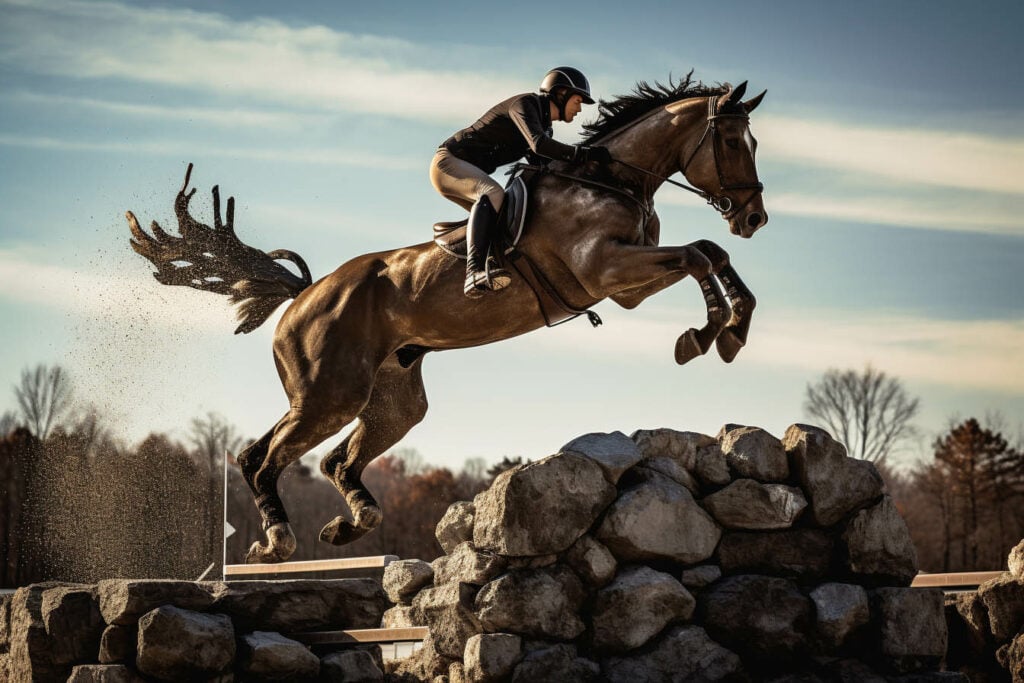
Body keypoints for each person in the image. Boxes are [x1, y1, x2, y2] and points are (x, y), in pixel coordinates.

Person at [430, 66, 613, 297]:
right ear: (561, 93)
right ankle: (474, 272)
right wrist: (586, 154)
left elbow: (544, 165)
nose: (579, 109)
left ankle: (492, 266)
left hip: (463, 167)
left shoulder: (543, 125)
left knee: (506, 217)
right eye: (578, 101)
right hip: (448, 162)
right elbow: (539, 145)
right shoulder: (527, 104)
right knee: (493, 193)